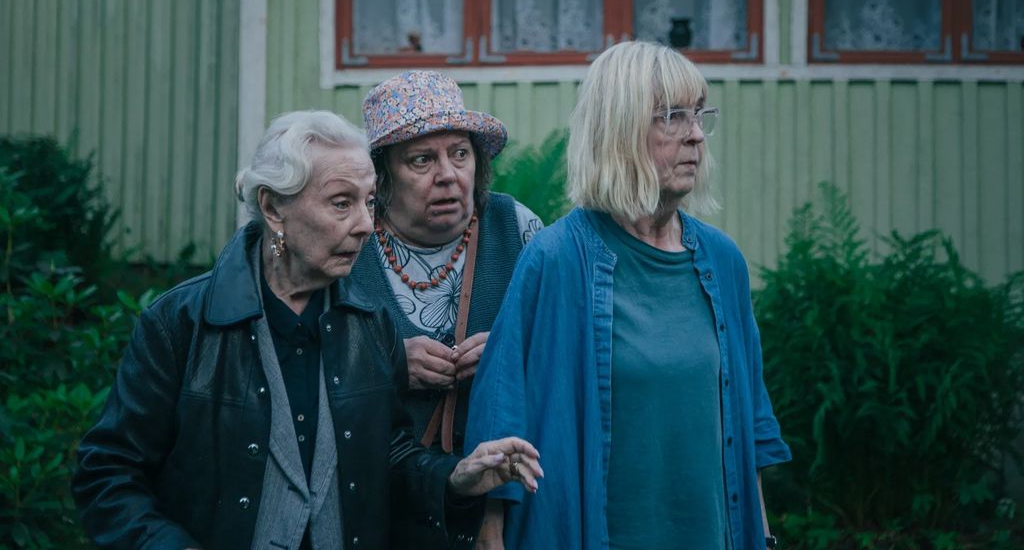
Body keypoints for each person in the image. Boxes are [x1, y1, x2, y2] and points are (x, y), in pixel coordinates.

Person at [72, 110, 542, 550]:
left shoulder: (369, 324)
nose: (365, 225)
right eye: (342, 204)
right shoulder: (182, 323)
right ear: (273, 208)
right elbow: (107, 474)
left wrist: (456, 478)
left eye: (369, 203)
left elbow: (388, 462)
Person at [464, 41, 792, 550]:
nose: (696, 134)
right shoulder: (556, 259)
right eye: (673, 117)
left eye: (699, 114)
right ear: (619, 130)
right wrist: (491, 532)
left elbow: (747, 426)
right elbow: (502, 417)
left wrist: (763, 536)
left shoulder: (723, 261)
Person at [349, 71, 542, 547]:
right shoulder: (349, 240)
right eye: (421, 159)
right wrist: (388, 361)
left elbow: (570, 349)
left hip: (504, 505)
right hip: (379, 503)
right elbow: (303, 355)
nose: (448, 175)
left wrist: (510, 356)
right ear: (381, 175)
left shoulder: (517, 228)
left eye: (460, 153)